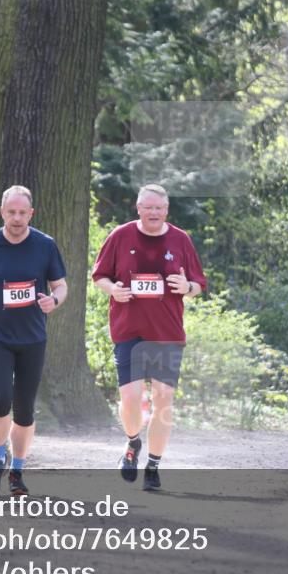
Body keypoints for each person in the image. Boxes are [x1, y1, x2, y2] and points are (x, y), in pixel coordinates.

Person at [92, 184, 206, 491]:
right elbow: (100, 275)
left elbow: (198, 283)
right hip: (128, 329)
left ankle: (153, 466)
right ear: (138, 208)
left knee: (163, 399)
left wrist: (187, 287)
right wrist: (112, 289)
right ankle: (133, 444)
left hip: (167, 333)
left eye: (159, 208)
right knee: (130, 399)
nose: (153, 212)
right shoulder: (121, 235)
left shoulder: (181, 239)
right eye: (148, 207)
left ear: (167, 210)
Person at [0, 185, 67, 496]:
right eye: (11, 212)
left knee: (24, 408)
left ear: (31, 214)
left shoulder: (45, 245)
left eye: (22, 213)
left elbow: (61, 286)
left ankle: (17, 470)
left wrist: (54, 301)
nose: (17, 218)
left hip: (33, 338)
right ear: (2, 212)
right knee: (0, 399)